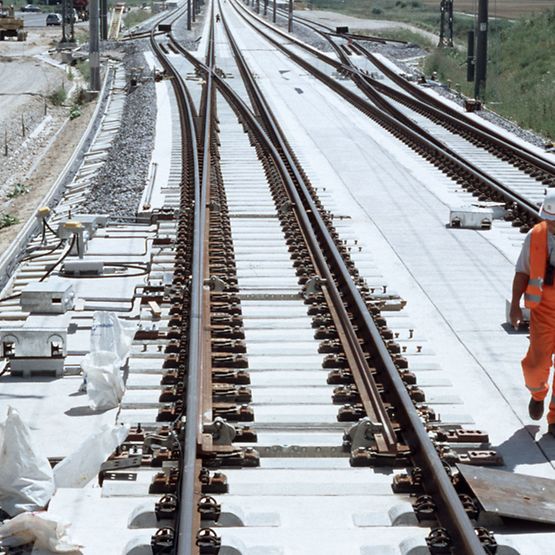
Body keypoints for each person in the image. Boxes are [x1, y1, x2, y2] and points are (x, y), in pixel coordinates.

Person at [510, 190, 555, 435]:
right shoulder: (535, 236)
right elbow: (522, 272)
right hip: (544, 312)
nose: (551, 226)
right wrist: (515, 304)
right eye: (548, 220)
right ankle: (538, 394)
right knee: (536, 365)